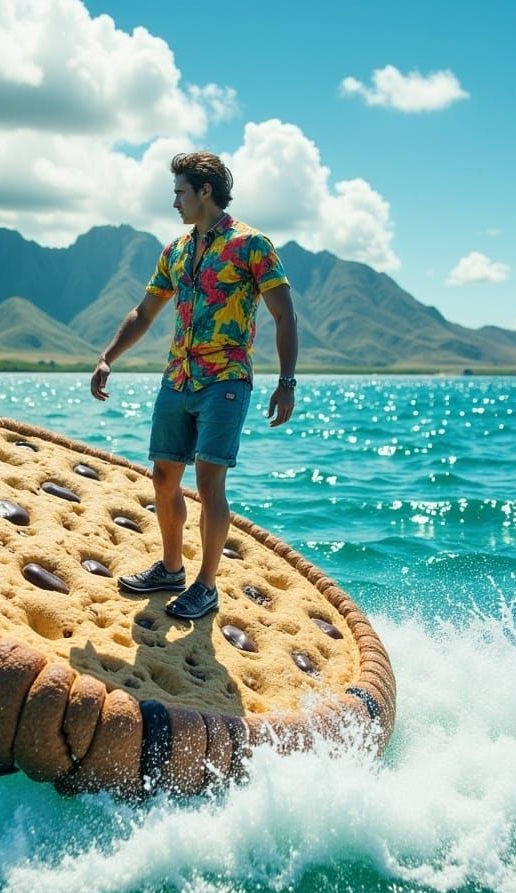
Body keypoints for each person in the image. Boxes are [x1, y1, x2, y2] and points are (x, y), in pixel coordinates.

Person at [90, 151, 298, 620]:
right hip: (177, 378)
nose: (175, 202)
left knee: (208, 481)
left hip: (225, 380)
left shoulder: (251, 245)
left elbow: (284, 315)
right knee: (164, 478)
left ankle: (206, 585)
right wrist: (107, 357)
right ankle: (170, 569)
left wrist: (286, 382)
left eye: (180, 192)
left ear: (205, 191)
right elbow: (145, 312)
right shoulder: (177, 251)